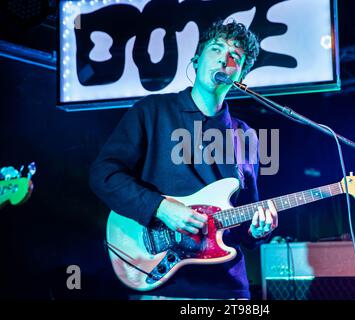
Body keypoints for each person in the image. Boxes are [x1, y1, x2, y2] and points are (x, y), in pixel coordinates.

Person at [89, 19, 278, 299]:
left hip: (227, 288)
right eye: (215, 49)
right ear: (196, 59)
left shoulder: (245, 135)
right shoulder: (152, 112)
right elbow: (103, 175)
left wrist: (259, 230)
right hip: (165, 283)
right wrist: (160, 207)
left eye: (234, 56)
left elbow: (244, 218)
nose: (223, 59)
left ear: (240, 74)